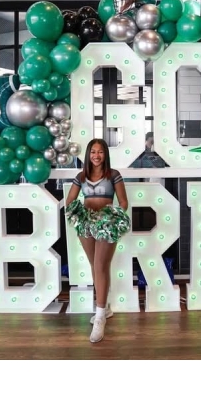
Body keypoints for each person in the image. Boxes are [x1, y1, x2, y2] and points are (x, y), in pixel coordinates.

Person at [64, 138, 130, 343]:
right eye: (93, 152)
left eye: (100, 152)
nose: (96, 155)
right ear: (88, 154)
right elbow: (70, 200)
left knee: (101, 265)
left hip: (106, 223)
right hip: (85, 223)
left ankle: (99, 316)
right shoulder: (81, 176)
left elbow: (124, 202)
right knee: (95, 265)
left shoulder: (114, 175)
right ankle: (104, 307)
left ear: (105, 154)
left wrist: (110, 215)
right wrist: (77, 212)